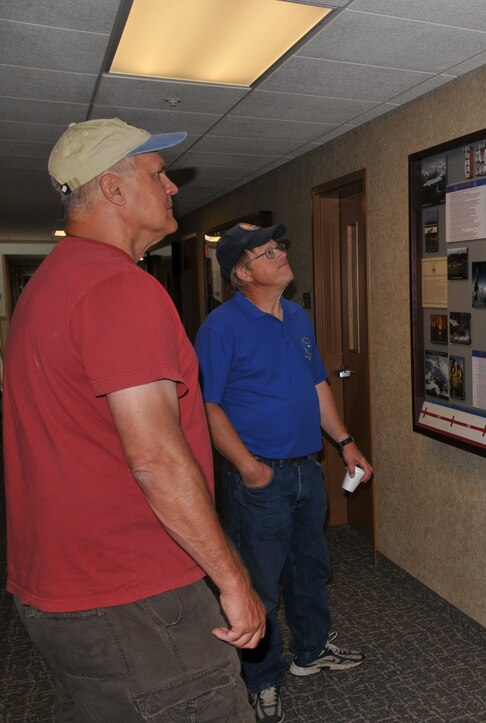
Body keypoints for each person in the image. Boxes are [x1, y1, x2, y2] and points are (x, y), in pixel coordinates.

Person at [3, 118, 263, 721]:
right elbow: (154, 458)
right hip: (134, 593)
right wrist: (230, 577)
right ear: (114, 190)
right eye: (157, 173)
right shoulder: (118, 288)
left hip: (63, 584)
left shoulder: (48, 286)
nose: (172, 187)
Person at [195, 222, 373, 723]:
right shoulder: (221, 328)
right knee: (259, 581)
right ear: (243, 272)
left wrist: (345, 441)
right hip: (260, 478)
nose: (281, 255)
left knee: (310, 567)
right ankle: (262, 678)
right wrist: (249, 468)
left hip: (306, 469)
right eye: (268, 251)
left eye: (280, 247)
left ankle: (312, 650)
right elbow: (207, 408)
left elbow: (317, 386)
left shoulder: (296, 317)